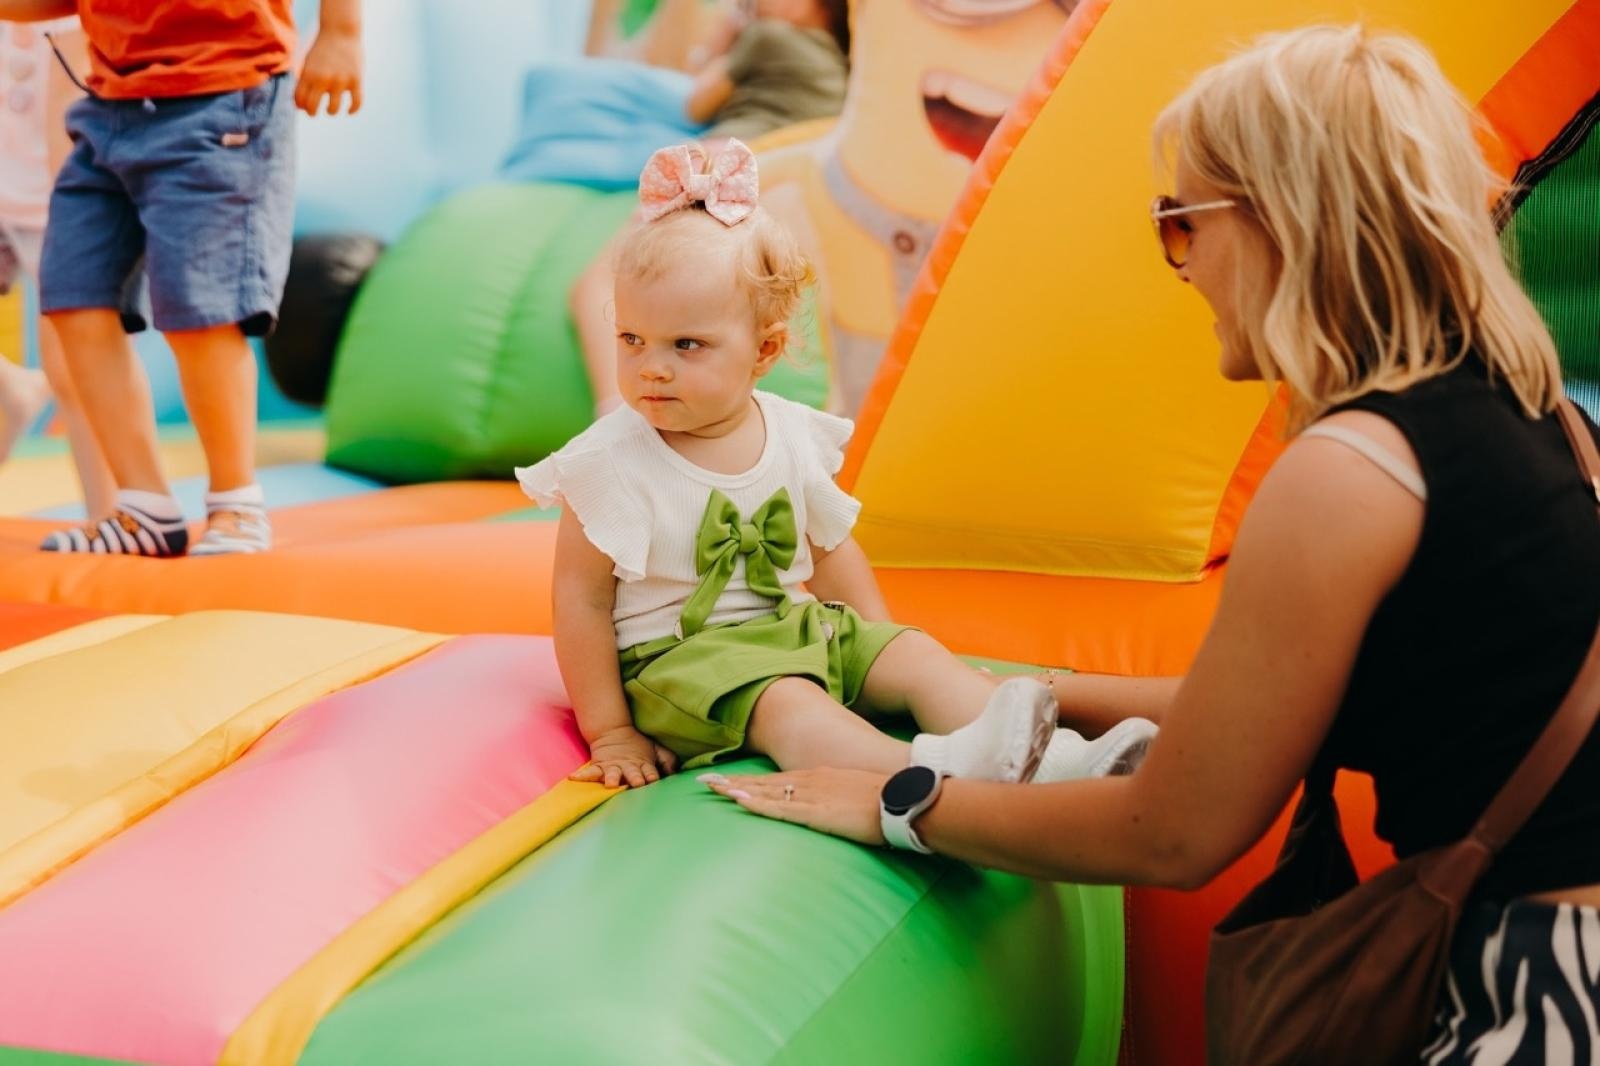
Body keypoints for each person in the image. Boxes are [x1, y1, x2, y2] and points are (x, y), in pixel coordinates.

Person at [702, 24, 1600, 1059]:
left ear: (1280, 223)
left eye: (1181, 221)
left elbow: (1175, 830)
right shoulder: (1533, 418)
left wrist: (904, 800)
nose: (1178, 264)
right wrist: (1044, 687)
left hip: (1540, 992)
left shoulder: (1351, 469)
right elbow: (1293, 703)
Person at [519, 139, 1156, 791]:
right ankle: (930, 773)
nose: (652, 365)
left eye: (687, 345)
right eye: (632, 339)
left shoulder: (791, 434)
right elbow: (581, 601)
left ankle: (1061, 762)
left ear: (762, 351)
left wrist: (879, 645)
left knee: (914, 654)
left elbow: (830, 550)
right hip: (683, 665)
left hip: (787, 628)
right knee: (789, 704)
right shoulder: (610, 460)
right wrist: (612, 731)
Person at [0, 0, 364, 556]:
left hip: (221, 92)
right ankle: (144, 505)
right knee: (74, 295)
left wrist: (341, 31)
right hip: (110, 102)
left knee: (201, 307)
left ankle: (235, 500)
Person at [571, 0, 851, 420]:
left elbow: (696, 101)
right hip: (790, 175)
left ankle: (617, 423)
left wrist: (725, 38)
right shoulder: (845, 67)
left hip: (722, 164)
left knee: (597, 284)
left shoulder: (767, 36)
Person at [0, 17, 113, 515]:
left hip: (57, 201)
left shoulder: (72, 17)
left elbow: (68, 117)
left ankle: (108, 513)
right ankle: (13, 388)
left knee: (74, 368)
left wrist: (73, 225)